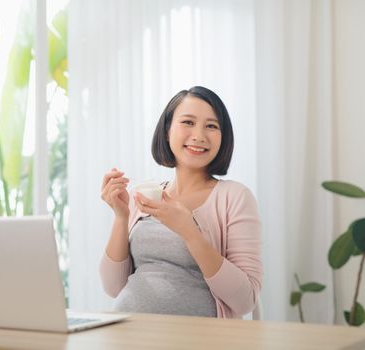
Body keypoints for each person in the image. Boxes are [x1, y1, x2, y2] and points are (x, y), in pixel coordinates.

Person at [99, 86, 261, 318]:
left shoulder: (235, 197)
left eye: (212, 126)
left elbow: (245, 300)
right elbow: (113, 287)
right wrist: (121, 217)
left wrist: (189, 231)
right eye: (188, 122)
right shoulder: (145, 196)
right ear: (167, 131)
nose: (199, 135)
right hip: (127, 333)